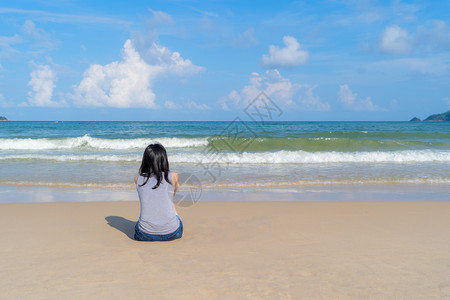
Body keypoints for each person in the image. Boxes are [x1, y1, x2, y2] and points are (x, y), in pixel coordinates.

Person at [134, 143, 183, 241]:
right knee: (172, 206)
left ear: (145, 160)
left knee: (139, 224)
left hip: (145, 235)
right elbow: (171, 197)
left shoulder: (137, 179)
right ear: (164, 159)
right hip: (172, 233)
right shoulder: (173, 176)